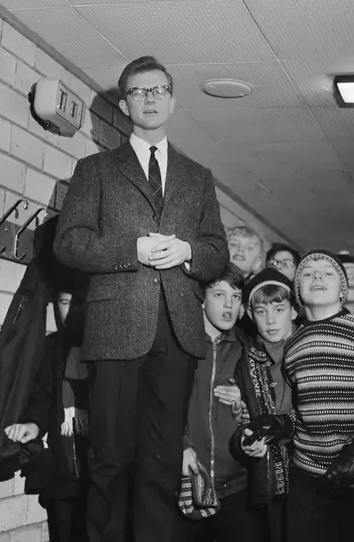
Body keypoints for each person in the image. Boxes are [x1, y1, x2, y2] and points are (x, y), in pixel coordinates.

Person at [54, 55, 229, 542]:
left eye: (158, 90)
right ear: (124, 105)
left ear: (172, 101)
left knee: (163, 462)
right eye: (138, 91)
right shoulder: (95, 169)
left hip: (177, 333)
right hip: (115, 332)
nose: (149, 99)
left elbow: (216, 254)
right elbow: (69, 243)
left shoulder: (198, 176)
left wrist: (188, 252)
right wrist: (131, 250)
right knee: (109, 459)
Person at [245, 250, 354, 542]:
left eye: (327, 272)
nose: (317, 277)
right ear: (298, 290)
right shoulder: (294, 345)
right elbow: (305, 410)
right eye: (308, 273)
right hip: (306, 477)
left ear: (342, 289)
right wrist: (280, 424)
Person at [179, 263, 268, 542]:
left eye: (236, 296)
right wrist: (180, 444)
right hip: (186, 482)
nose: (229, 305)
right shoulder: (180, 346)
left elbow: (265, 411)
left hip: (237, 488)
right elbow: (157, 406)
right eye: (219, 295)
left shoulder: (250, 350)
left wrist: (248, 403)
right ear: (201, 299)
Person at [5, 282, 89, 542]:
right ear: (55, 307)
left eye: (77, 303)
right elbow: (41, 396)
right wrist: (33, 424)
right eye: (64, 303)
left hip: (99, 474)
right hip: (62, 473)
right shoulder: (51, 347)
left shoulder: (106, 349)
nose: (71, 310)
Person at [230, 268, 298, 542]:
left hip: (310, 477)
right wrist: (245, 440)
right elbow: (242, 424)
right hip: (268, 481)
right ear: (250, 314)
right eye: (261, 311)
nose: (270, 320)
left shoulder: (310, 348)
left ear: (294, 311)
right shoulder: (245, 361)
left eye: (279, 309)